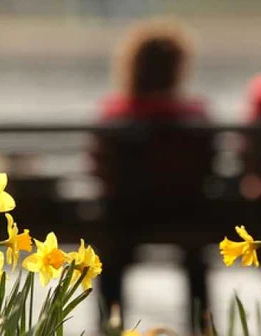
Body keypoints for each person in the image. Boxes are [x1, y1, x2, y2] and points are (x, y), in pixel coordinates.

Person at [90, 18, 214, 331]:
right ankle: (202, 326)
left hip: (125, 215)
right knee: (196, 259)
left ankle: (109, 326)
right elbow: (210, 165)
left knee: (112, 259)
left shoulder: (115, 114)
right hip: (186, 212)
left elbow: (98, 168)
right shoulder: (195, 115)